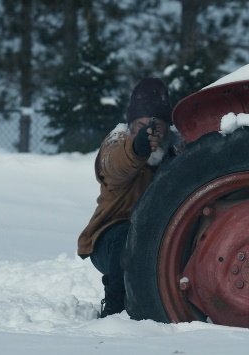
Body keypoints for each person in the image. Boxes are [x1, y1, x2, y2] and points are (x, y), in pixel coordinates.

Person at [77, 77, 172, 318]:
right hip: (108, 238)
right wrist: (137, 148)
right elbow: (114, 166)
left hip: (153, 238)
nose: (152, 132)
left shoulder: (169, 153)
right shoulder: (116, 141)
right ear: (130, 124)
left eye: (158, 127)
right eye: (142, 125)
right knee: (126, 238)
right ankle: (114, 311)